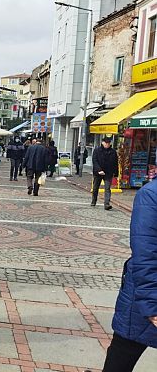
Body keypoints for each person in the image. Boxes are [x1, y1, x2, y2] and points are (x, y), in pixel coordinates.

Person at [102, 180, 157, 371]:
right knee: (121, 357)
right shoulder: (150, 195)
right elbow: (145, 254)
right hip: (146, 298)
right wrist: (152, 305)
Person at [92, 136, 118, 211]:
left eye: (109, 143)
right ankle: (94, 201)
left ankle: (107, 204)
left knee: (107, 188)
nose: (107, 144)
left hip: (108, 173)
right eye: (106, 143)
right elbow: (95, 161)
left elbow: (115, 163)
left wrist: (116, 173)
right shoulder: (97, 150)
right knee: (95, 188)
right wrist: (99, 170)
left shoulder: (113, 151)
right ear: (102, 142)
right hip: (98, 172)